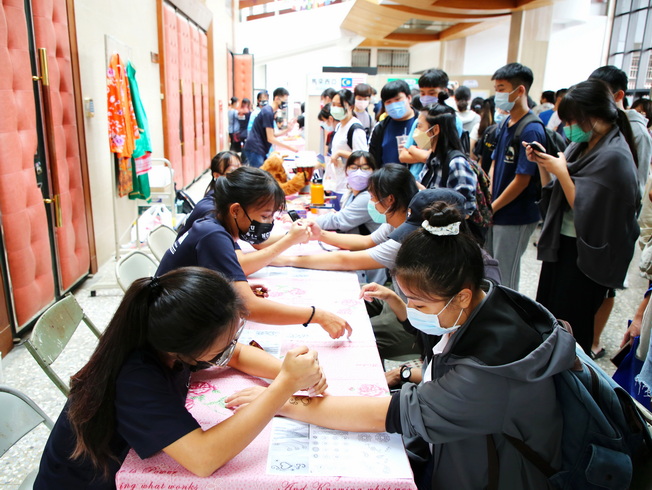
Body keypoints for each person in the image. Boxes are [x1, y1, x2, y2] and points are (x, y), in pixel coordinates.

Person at [228, 203, 577, 490]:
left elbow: (387, 415)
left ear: (462, 296)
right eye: (406, 299)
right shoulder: (489, 303)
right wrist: (408, 372)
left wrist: (278, 401)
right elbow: (443, 366)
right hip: (469, 454)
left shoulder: (488, 374)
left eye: (419, 304)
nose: (411, 310)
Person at [33, 267, 325, 489]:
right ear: (184, 348)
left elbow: (236, 355)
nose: (231, 346)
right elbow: (204, 458)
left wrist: (292, 373)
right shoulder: (135, 378)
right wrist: (285, 385)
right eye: (223, 344)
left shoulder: (166, 339)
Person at [158, 167, 352, 339]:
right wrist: (316, 315)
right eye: (265, 216)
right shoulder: (213, 235)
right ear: (236, 210)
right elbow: (249, 307)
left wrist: (231, 288)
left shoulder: (215, 224)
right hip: (171, 327)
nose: (269, 223)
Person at [528, 78, 640, 355]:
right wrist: (544, 165)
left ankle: (572, 375)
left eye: (572, 120)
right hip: (562, 244)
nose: (568, 127)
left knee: (573, 326)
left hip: (587, 256)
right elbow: (557, 191)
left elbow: (588, 210)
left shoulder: (614, 155)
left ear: (594, 115)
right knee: (550, 318)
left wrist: (561, 171)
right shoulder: (581, 146)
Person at [588, 66, 651, 357]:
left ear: (618, 95)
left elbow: (636, 186)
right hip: (594, 222)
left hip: (614, 226)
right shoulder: (601, 124)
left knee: (606, 287)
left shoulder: (636, 131)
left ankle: (594, 341)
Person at [486, 62, 547, 291]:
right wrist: (489, 202)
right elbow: (494, 164)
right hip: (497, 210)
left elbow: (522, 179)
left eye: (502, 89)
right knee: (492, 270)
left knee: (506, 275)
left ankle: (510, 312)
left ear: (520, 90)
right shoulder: (505, 123)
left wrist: (493, 207)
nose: (498, 95)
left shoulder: (531, 129)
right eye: (496, 89)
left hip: (516, 214)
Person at [315, 151, 385, 285]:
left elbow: (339, 221)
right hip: (354, 255)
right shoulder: (350, 194)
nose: (359, 172)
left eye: (365, 168)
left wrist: (307, 221)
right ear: (346, 171)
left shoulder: (368, 197)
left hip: (368, 268)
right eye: (354, 167)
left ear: (374, 172)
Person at [415, 104, 477, 218]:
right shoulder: (433, 158)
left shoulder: (456, 163)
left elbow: (465, 210)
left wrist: (426, 196)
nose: (416, 132)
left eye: (419, 126)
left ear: (435, 130)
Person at [176, 151, 242, 237]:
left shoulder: (229, 196)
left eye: (241, 169)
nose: (240, 175)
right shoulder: (213, 208)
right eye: (232, 171)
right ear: (217, 175)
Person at [326, 89, 369, 196]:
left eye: (340, 105)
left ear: (350, 106)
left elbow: (362, 156)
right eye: (333, 104)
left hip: (349, 186)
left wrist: (340, 153)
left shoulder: (355, 128)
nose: (336, 108)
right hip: (337, 182)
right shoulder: (339, 126)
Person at [243, 87, 297, 168]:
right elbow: (270, 138)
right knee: (259, 174)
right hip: (255, 149)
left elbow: (273, 134)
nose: (285, 103)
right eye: (284, 100)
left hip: (258, 149)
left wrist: (287, 130)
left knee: (263, 172)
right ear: (277, 98)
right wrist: (290, 147)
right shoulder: (268, 112)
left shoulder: (269, 111)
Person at [369, 80, 418, 166]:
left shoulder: (422, 123)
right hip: (386, 174)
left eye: (397, 99)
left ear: (409, 98)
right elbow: (372, 158)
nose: (393, 105)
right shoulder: (380, 128)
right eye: (388, 102)